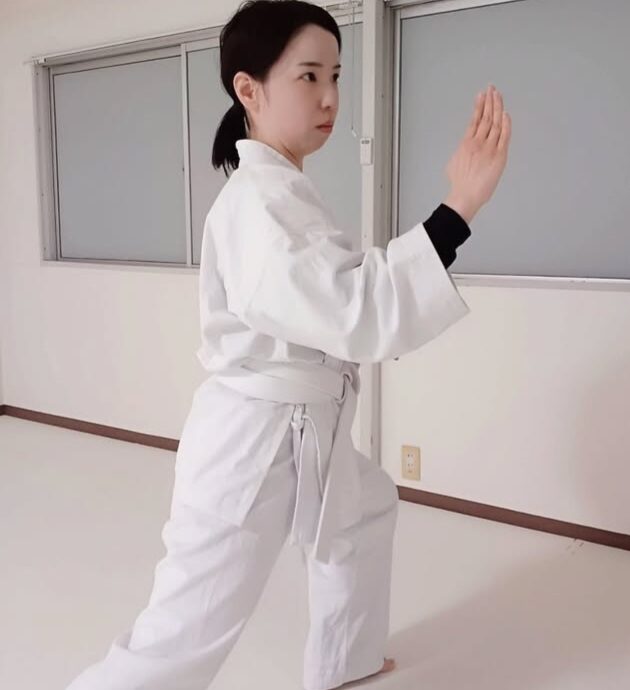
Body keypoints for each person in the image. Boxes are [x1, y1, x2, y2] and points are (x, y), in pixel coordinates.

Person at [65, 1, 511, 689]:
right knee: (185, 630)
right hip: (254, 443)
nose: (330, 97)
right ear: (249, 89)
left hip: (300, 426)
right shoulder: (258, 204)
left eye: (335, 75)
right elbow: (354, 308)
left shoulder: (280, 190)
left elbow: (346, 294)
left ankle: (347, 660)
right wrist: (458, 209)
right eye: (308, 76)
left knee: (364, 512)